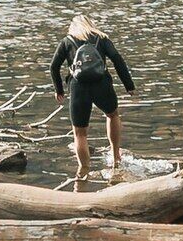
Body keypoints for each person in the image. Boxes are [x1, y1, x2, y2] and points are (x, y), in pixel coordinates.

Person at [51, 14, 135, 184]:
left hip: (78, 87)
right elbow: (117, 59)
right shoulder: (101, 38)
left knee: (80, 133)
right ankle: (116, 155)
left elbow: (54, 66)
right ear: (91, 24)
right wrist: (129, 85)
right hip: (101, 84)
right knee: (112, 115)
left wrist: (59, 89)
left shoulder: (67, 41)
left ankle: (83, 171)